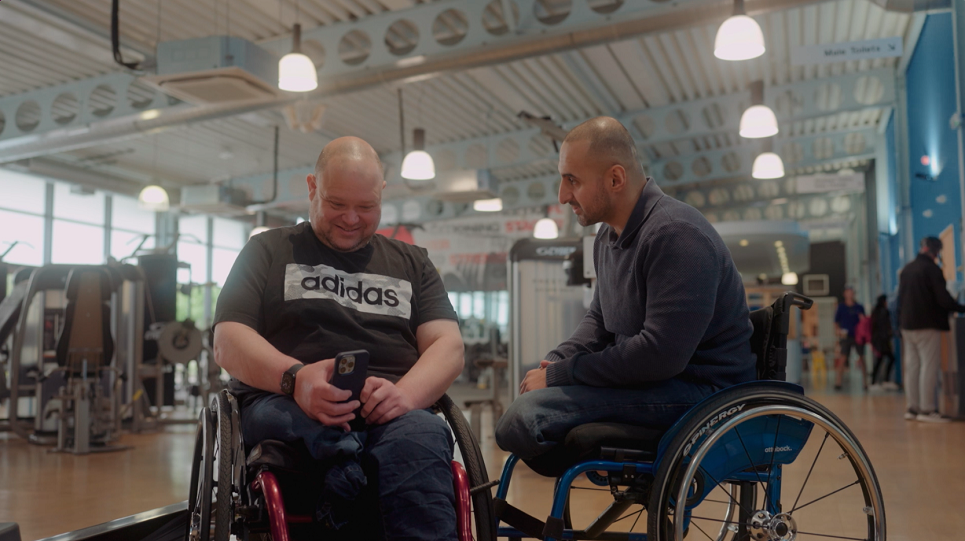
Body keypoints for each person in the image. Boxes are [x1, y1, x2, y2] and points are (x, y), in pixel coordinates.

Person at [213, 136, 465, 539]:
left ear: (382, 193)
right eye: (336, 204)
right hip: (286, 401)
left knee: (423, 435)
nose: (351, 218)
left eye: (366, 207)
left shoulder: (413, 263)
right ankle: (342, 480)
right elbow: (228, 338)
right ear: (312, 188)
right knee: (301, 428)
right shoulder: (267, 250)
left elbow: (448, 346)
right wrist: (295, 379)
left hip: (392, 411)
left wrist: (407, 396)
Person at [494, 117, 755, 460]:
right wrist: (555, 363)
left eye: (571, 180)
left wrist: (563, 376)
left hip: (702, 392)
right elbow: (599, 321)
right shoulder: (607, 237)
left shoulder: (676, 235)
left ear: (615, 178)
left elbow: (659, 354)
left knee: (527, 418)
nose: (562, 196)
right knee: (523, 411)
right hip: (657, 384)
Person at [898, 236, 965, 422]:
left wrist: (899, 325)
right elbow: (943, 299)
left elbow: (900, 301)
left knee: (912, 367)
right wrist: (961, 307)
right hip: (927, 325)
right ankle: (927, 410)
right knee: (928, 366)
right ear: (936, 251)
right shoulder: (932, 269)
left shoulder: (906, 270)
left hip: (907, 326)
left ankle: (912, 408)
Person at [833, 286, 866, 391]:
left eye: (851, 292)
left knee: (862, 358)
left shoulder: (859, 307)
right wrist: (838, 330)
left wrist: (862, 320)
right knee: (843, 358)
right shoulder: (841, 307)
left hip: (858, 336)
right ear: (844, 294)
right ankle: (838, 382)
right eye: (848, 292)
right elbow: (836, 321)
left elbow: (864, 321)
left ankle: (866, 382)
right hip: (846, 336)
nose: (850, 294)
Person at [869, 294, 896, 390]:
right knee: (887, 359)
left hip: (877, 341)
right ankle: (883, 381)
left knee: (880, 361)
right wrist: (889, 336)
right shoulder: (884, 312)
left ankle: (876, 382)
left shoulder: (875, 311)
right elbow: (884, 327)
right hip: (883, 341)